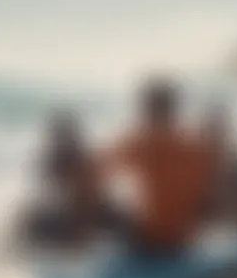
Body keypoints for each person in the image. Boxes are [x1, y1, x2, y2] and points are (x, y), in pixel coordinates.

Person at [101, 77, 214, 258]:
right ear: (173, 109)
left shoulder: (139, 141)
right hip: (183, 236)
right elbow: (205, 193)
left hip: (150, 239)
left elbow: (98, 170)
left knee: (113, 207)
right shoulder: (193, 144)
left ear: (147, 109)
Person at [15, 111, 117, 250]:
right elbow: (48, 196)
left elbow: (95, 196)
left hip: (86, 215)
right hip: (74, 216)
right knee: (30, 221)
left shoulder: (82, 159)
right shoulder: (56, 159)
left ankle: (76, 237)